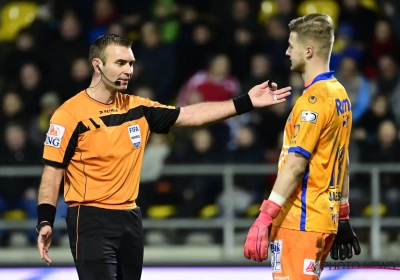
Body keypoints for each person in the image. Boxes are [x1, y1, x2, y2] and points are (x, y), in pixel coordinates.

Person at [35, 34, 291, 280]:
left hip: (130, 217)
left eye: (131, 63)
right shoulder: (69, 115)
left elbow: (191, 115)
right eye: (121, 63)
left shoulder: (139, 108)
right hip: (89, 218)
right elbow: (52, 170)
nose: (129, 70)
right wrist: (45, 220)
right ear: (97, 65)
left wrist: (245, 101)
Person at [243, 13, 361, 279]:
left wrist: (264, 216)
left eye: (291, 45)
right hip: (323, 218)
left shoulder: (313, 101)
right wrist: (342, 215)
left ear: (308, 51)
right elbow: (342, 161)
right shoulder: (340, 94)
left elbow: (296, 166)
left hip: (300, 221)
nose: (287, 52)